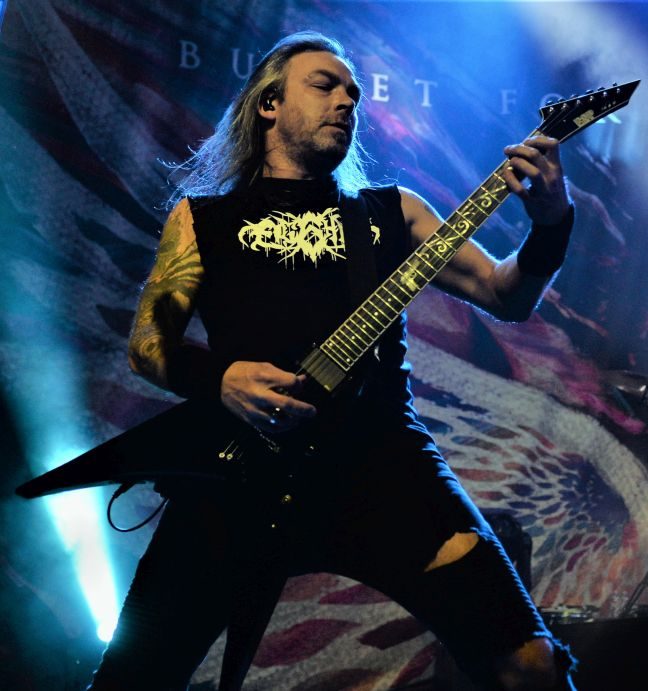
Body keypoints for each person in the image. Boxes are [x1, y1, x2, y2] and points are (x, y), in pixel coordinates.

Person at [89, 31, 576, 690]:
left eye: (354, 93)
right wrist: (221, 379)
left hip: (385, 466)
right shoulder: (201, 219)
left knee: (529, 663)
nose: (347, 101)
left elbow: (503, 294)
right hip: (239, 474)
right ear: (268, 104)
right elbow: (148, 344)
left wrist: (552, 223)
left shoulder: (391, 213)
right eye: (324, 85)